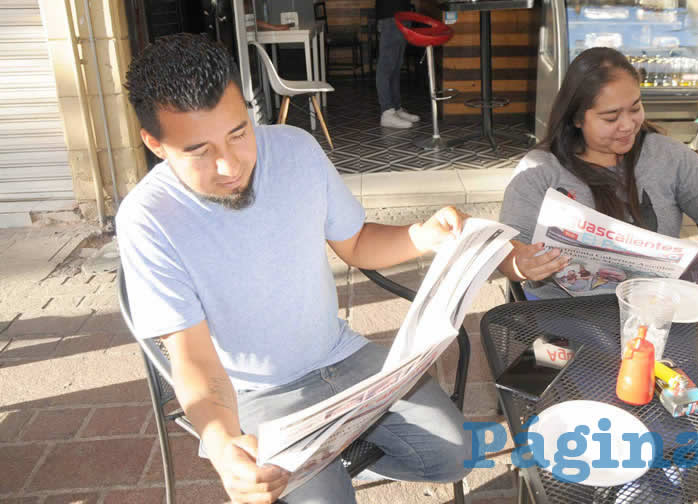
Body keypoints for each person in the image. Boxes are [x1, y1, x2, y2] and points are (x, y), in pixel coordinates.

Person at [119, 34, 471, 504]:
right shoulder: (148, 218)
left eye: (239, 132)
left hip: (341, 356)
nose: (229, 165)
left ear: (248, 108)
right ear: (155, 144)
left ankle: (334, 456)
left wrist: (424, 236)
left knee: (454, 455)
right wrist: (225, 450)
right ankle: (328, 468)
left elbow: (356, 242)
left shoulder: (295, 150)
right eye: (199, 151)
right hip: (256, 392)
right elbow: (193, 358)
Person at [497, 47, 698, 299]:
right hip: (566, 314)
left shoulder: (666, 155)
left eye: (635, 108)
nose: (628, 124)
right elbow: (508, 251)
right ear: (577, 118)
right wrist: (521, 263)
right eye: (611, 117)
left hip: (655, 307)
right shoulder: (540, 171)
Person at [375, 0, 420, 128]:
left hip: (401, 13)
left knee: (395, 66)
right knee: (386, 67)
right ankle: (387, 112)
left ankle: (396, 108)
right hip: (390, 14)